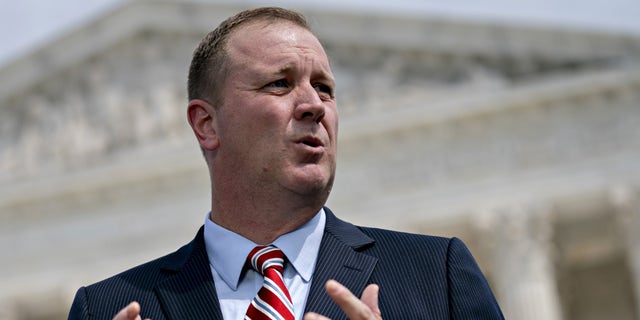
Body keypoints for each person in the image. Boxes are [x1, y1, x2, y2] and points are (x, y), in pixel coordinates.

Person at [68, 7, 504, 320]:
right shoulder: (107, 308)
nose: (315, 105)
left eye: (325, 88)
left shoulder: (436, 275)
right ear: (206, 124)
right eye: (280, 83)